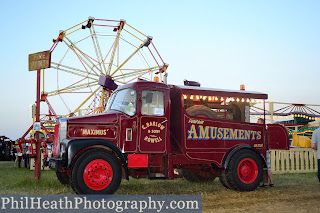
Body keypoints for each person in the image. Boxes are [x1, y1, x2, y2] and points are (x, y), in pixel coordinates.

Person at [257, 118, 274, 187]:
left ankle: (266, 183)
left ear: (261, 122)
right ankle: (271, 182)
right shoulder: (266, 131)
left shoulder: (261, 131)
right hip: (266, 149)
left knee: (264, 167)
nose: (257, 123)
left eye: (258, 122)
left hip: (264, 150)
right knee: (268, 167)